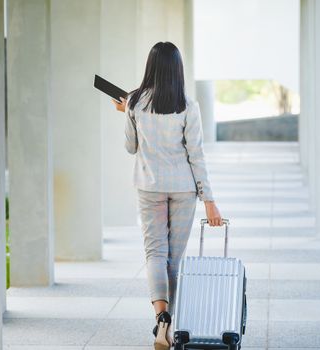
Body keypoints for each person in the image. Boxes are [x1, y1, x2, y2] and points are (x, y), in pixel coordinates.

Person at [112, 41, 223, 350]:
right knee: (174, 258)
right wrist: (209, 200)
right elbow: (196, 154)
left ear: (150, 67)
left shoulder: (135, 102)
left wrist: (126, 113)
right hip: (184, 189)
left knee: (155, 254)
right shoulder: (188, 105)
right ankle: (171, 323)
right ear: (177, 69)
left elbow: (130, 147)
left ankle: (162, 320)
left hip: (149, 188)